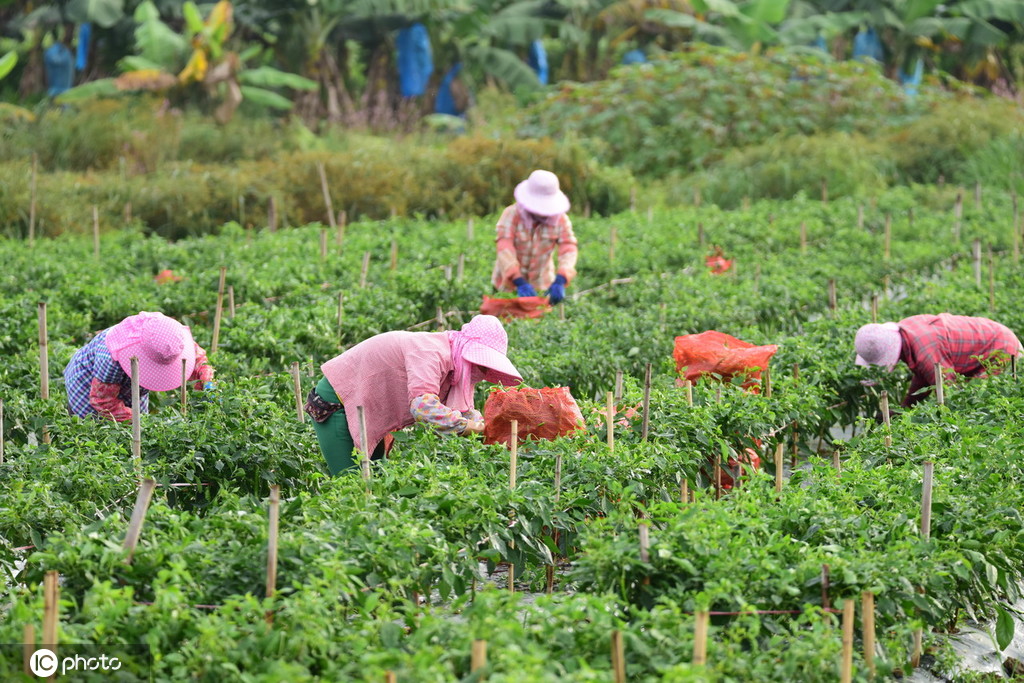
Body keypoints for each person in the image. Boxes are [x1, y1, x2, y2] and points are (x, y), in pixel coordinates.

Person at [305, 315, 522, 476]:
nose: (481, 372)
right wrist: (469, 428)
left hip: (369, 410)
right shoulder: (430, 352)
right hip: (338, 402)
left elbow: (464, 411)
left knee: (378, 479)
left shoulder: (456, 365)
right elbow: (423, 407)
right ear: (467, 350)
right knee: (351, 484)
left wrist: (481, 425)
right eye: (480, 364)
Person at [64, 312, 216, 421]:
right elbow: (103, 401)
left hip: (130, 389)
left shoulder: (166, 335)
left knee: (139, 434)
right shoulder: (111, 357)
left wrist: (204, 375)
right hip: (87, 388)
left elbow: (194, 356)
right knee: (98, 435)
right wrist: (140, 421)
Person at [854, 314, 1022, 407]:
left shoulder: (926, 351)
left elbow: (949, 393)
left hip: (1000, 346)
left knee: (975, 401)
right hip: (994, 337)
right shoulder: (907, 331)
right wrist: (905, 406)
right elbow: (924, 377)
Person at [492, 169, 578, 305]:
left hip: (542, 284)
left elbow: (568, 247)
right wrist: (517, 279)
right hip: (508, 285)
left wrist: (561, 278)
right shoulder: (512, 214)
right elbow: (504, 246)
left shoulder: (560, 219)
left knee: (539, 320)